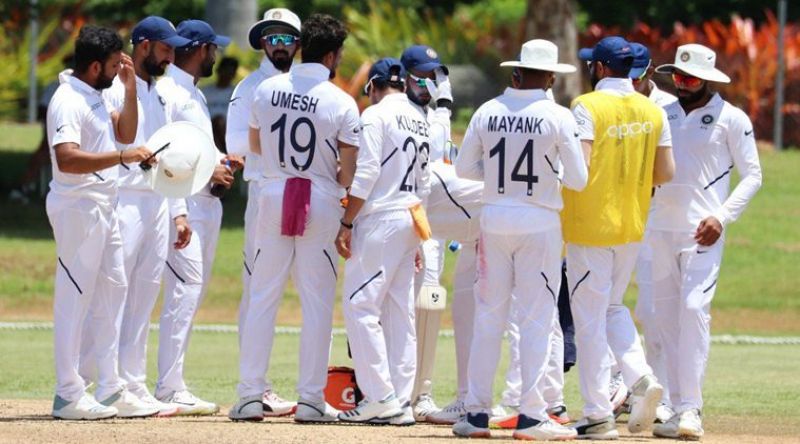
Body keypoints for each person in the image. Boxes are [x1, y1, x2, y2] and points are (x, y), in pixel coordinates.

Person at [452, 39, 587, 440]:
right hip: (539, 220)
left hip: (494, 216)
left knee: (488, 317)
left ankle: (476, 413)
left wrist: (499, 180)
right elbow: (578, 179)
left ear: (516, 73)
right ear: (550, 78)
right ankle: (531, 415)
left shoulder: (487, 111)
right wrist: (549, 176)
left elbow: (464, 169)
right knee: (536, 318)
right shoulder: (558, 116)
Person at [232, 13, 359, 423]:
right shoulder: (341, 101)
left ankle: (249, 396)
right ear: (333, 55)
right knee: (317, 304)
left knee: (262, 297)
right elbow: (348, 173)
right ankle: (310, 400)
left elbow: (255, 144)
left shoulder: (266, 89)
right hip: (319, 197)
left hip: (272, 193)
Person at [649, 43, 761, 440]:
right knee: (666, 320)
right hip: (659, 229)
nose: (681, 84)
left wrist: (722, 217)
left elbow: (753, 175)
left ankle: (691, 410)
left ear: (708, 80)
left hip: (703, 231)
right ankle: (676, 407)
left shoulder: (731, 118)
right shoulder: (662, 114)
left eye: (690, 78)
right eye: (677, 77)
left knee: (694, 309)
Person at [564, 36, 674, 439]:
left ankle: (597, 414)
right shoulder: (652, 109)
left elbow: (579, 168)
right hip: (632, 226)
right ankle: (641, 377)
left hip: (590, 227)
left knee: (589, 321)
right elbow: (666, 173)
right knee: (611, 307)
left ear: (600, 68)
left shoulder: (586, 105)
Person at [46, 25, 158, 420]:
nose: (118, 70)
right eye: (114, 66)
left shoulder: (95, 94)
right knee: (74, 297)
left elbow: (125, 132)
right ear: (95, 66)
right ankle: (68, 393)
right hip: (78, 206)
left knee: (114, 291)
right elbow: (67, 158)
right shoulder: (67, 100)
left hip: (104, 204)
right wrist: (122, 158)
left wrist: (129, 90)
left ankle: (110, 387)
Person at [102, 15, 192, 418]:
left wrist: (179, 212)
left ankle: (133, 383)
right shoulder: (114, 88)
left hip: (156, 201)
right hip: (124, 199)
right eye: (166, 48)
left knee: (144, 296)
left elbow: (170, 157)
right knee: (115, 294)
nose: (171, 57)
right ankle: (108, 383)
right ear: (143, 46)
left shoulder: (162, 94)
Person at [333, 57, 430, 425]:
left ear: (373, 86)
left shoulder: (375, 116)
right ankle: (400, 400)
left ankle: (379, 397)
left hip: (381, 219)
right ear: (402, 84)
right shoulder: (419, 118)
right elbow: (425, 183)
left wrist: (347, 221)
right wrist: (417, 238)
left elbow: (367, 171)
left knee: (360, 306)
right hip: (410, 217)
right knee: (399, 312)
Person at [155, 19, 239, 415]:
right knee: (183, 291)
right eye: (213, 48)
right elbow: (164, 153)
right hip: (183, 205)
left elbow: (196, 147)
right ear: (200, 49)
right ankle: (168, 387)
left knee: (192, 293)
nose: (216, 56)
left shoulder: (194, 92)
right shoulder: (168, 92)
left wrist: (223, 160)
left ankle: (173, 382)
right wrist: (208, 173)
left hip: (206, 205)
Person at [225, 7, 302, 419]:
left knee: (313, 288)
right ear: (262, 44)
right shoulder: (250, 87)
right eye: (272, 39)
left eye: (286, 38)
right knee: (259, 289)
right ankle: (255, 388)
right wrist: (280, 146)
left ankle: (313, 390)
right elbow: (235, 143)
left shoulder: (307, 84)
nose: (279, 46)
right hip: (265, 189)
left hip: (306, 193)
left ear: (298, 44)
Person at [397, 44, 454, 421]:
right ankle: (392, 390)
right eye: (420, 76)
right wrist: (444, 108)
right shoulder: (399, 113)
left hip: (432, 227)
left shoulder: (437, 116)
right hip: (401, 220)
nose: (428, 84)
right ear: (404, 77)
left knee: (431, 302)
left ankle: (423, 392)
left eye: (433, 77)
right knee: (397, 305)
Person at [627, 41, 678, 423]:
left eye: (635, 77)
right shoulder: (612, 102)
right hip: (616, 215)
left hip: (655, 218)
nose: (629, 83)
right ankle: (624, 387)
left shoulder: (668, 109)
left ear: (648, 73)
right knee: (601, 304)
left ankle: (660, 396)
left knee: (651, 310)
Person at [201, 56, 238, 151]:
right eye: (225, 71)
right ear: (218, 71)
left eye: (230, 72)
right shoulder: (204, 92)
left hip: (229, 132)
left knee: (219, 121)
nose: (227, 75)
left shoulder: (237, 93)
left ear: (234, 74)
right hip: (206, 131)